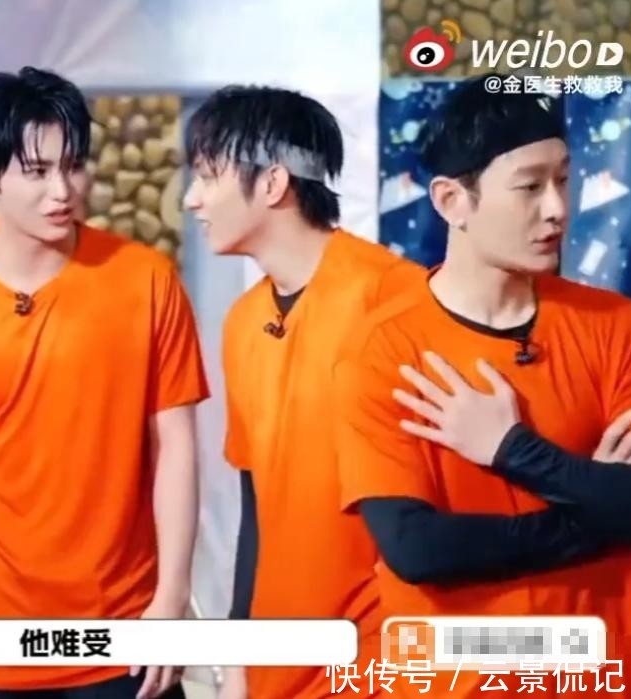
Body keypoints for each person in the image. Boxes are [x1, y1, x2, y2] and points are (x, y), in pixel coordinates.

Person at [0, 66, 208, 699]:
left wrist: (171, 596)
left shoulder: (145, 281)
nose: (63, 190)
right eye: (36, 171)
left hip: (123, 633)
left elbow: (176, 444)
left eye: (74, 166)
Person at [333, 73, 631, 697]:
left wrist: (511, 449)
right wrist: (597, 509)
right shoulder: (382, 350)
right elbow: (419, 550)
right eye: (529, 186)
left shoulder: (614, 327)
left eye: (564, 179)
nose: (557, 208)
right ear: (451, 201)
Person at [181, 84, 424, 699]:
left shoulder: (397, 297)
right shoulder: (242, 322)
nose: (191, 198)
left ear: (272, 183)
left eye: (208, 176)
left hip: (379, 656)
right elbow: (256, 503)